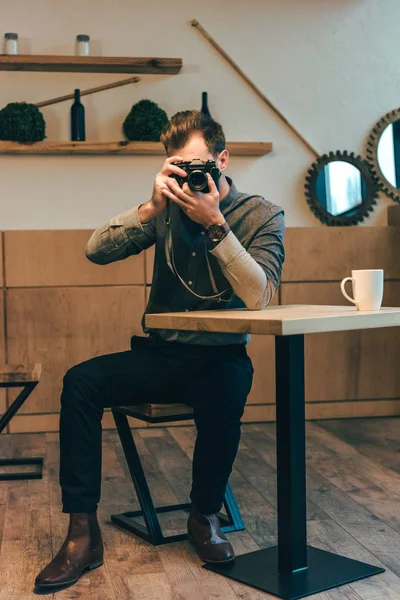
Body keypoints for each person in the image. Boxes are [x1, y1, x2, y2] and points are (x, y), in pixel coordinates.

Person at [35, 110, 285, 591]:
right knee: (80, 382)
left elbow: (261, 294)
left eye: (199, 166)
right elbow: (95, 250)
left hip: (220, 356)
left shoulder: (261, 214)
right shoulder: (166, 208)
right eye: (178, 166)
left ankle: (204, 516)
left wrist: (215, 223)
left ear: (222, 159)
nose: (191, 177)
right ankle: (81, 534)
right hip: (162, 354)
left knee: (227, 391)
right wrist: (149, 210)